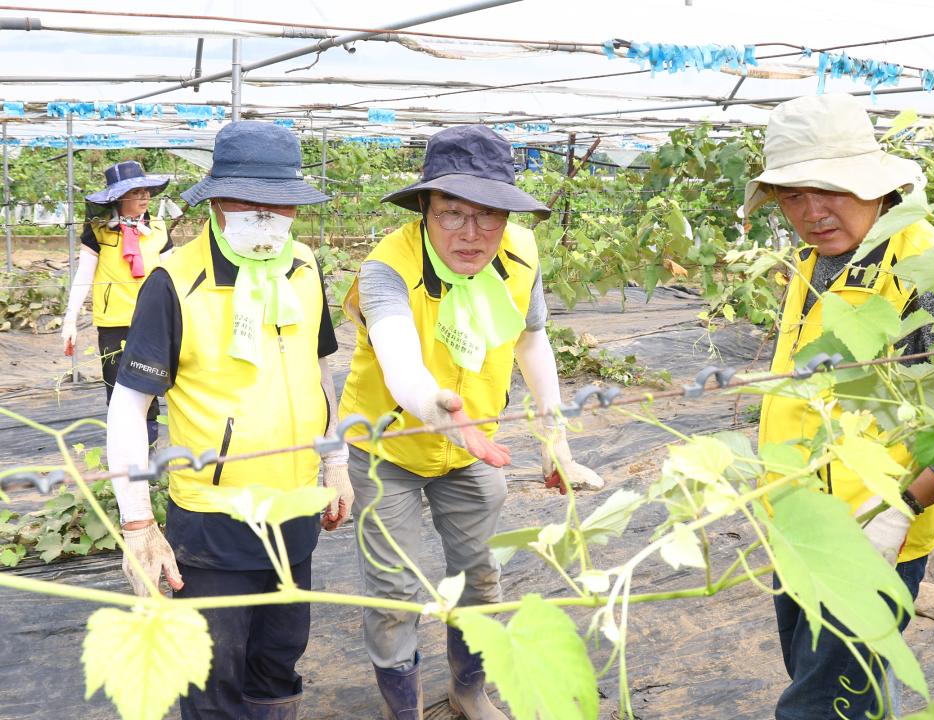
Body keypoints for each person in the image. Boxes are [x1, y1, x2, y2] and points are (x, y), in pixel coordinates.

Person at [337, 125, 603, 720]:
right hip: (389, 449)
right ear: (425, 209)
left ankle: (470, 691)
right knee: (392, 593)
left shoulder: (521, 255)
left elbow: (533, 341)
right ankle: (401, 710)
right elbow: (399, 358)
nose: (472, 233)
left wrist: (552, 434)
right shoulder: (387, 267)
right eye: (453, 213)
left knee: (481, 578)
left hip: (473, 449)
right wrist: (438, 412)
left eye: (489, 216)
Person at [104, 121, 353, 720]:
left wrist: (336, 463)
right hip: (215, 523)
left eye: (279, 202)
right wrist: (137, 522)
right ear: (216, 200)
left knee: (279, 657)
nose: (266, 214)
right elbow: (130, 405)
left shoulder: (304, 265)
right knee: (212, 675)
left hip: (295, 507)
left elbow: (318, 373)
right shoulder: (173, 281)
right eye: (249, 200)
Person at [745, 93, 934, 719]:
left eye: (829, 188)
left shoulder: (929, 268)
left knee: (817, 705)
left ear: (872, 182)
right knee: (840, 690)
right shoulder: (811, 264)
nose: (812, 212)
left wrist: (898, 514)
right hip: (796, 527)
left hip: (868, 538)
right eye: (792, 195)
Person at [61, 160, 171, 443]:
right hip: (114, 323)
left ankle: (148, 449)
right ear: (119, 197)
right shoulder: (98, 230)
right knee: (118, 388)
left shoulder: (157, 228)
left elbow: (174, 273)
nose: (144, 197)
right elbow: (83, 275)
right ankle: (125, 450)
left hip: (152, 321)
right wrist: (70, 320)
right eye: (136, 193)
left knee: (151, 384)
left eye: (146, 191)